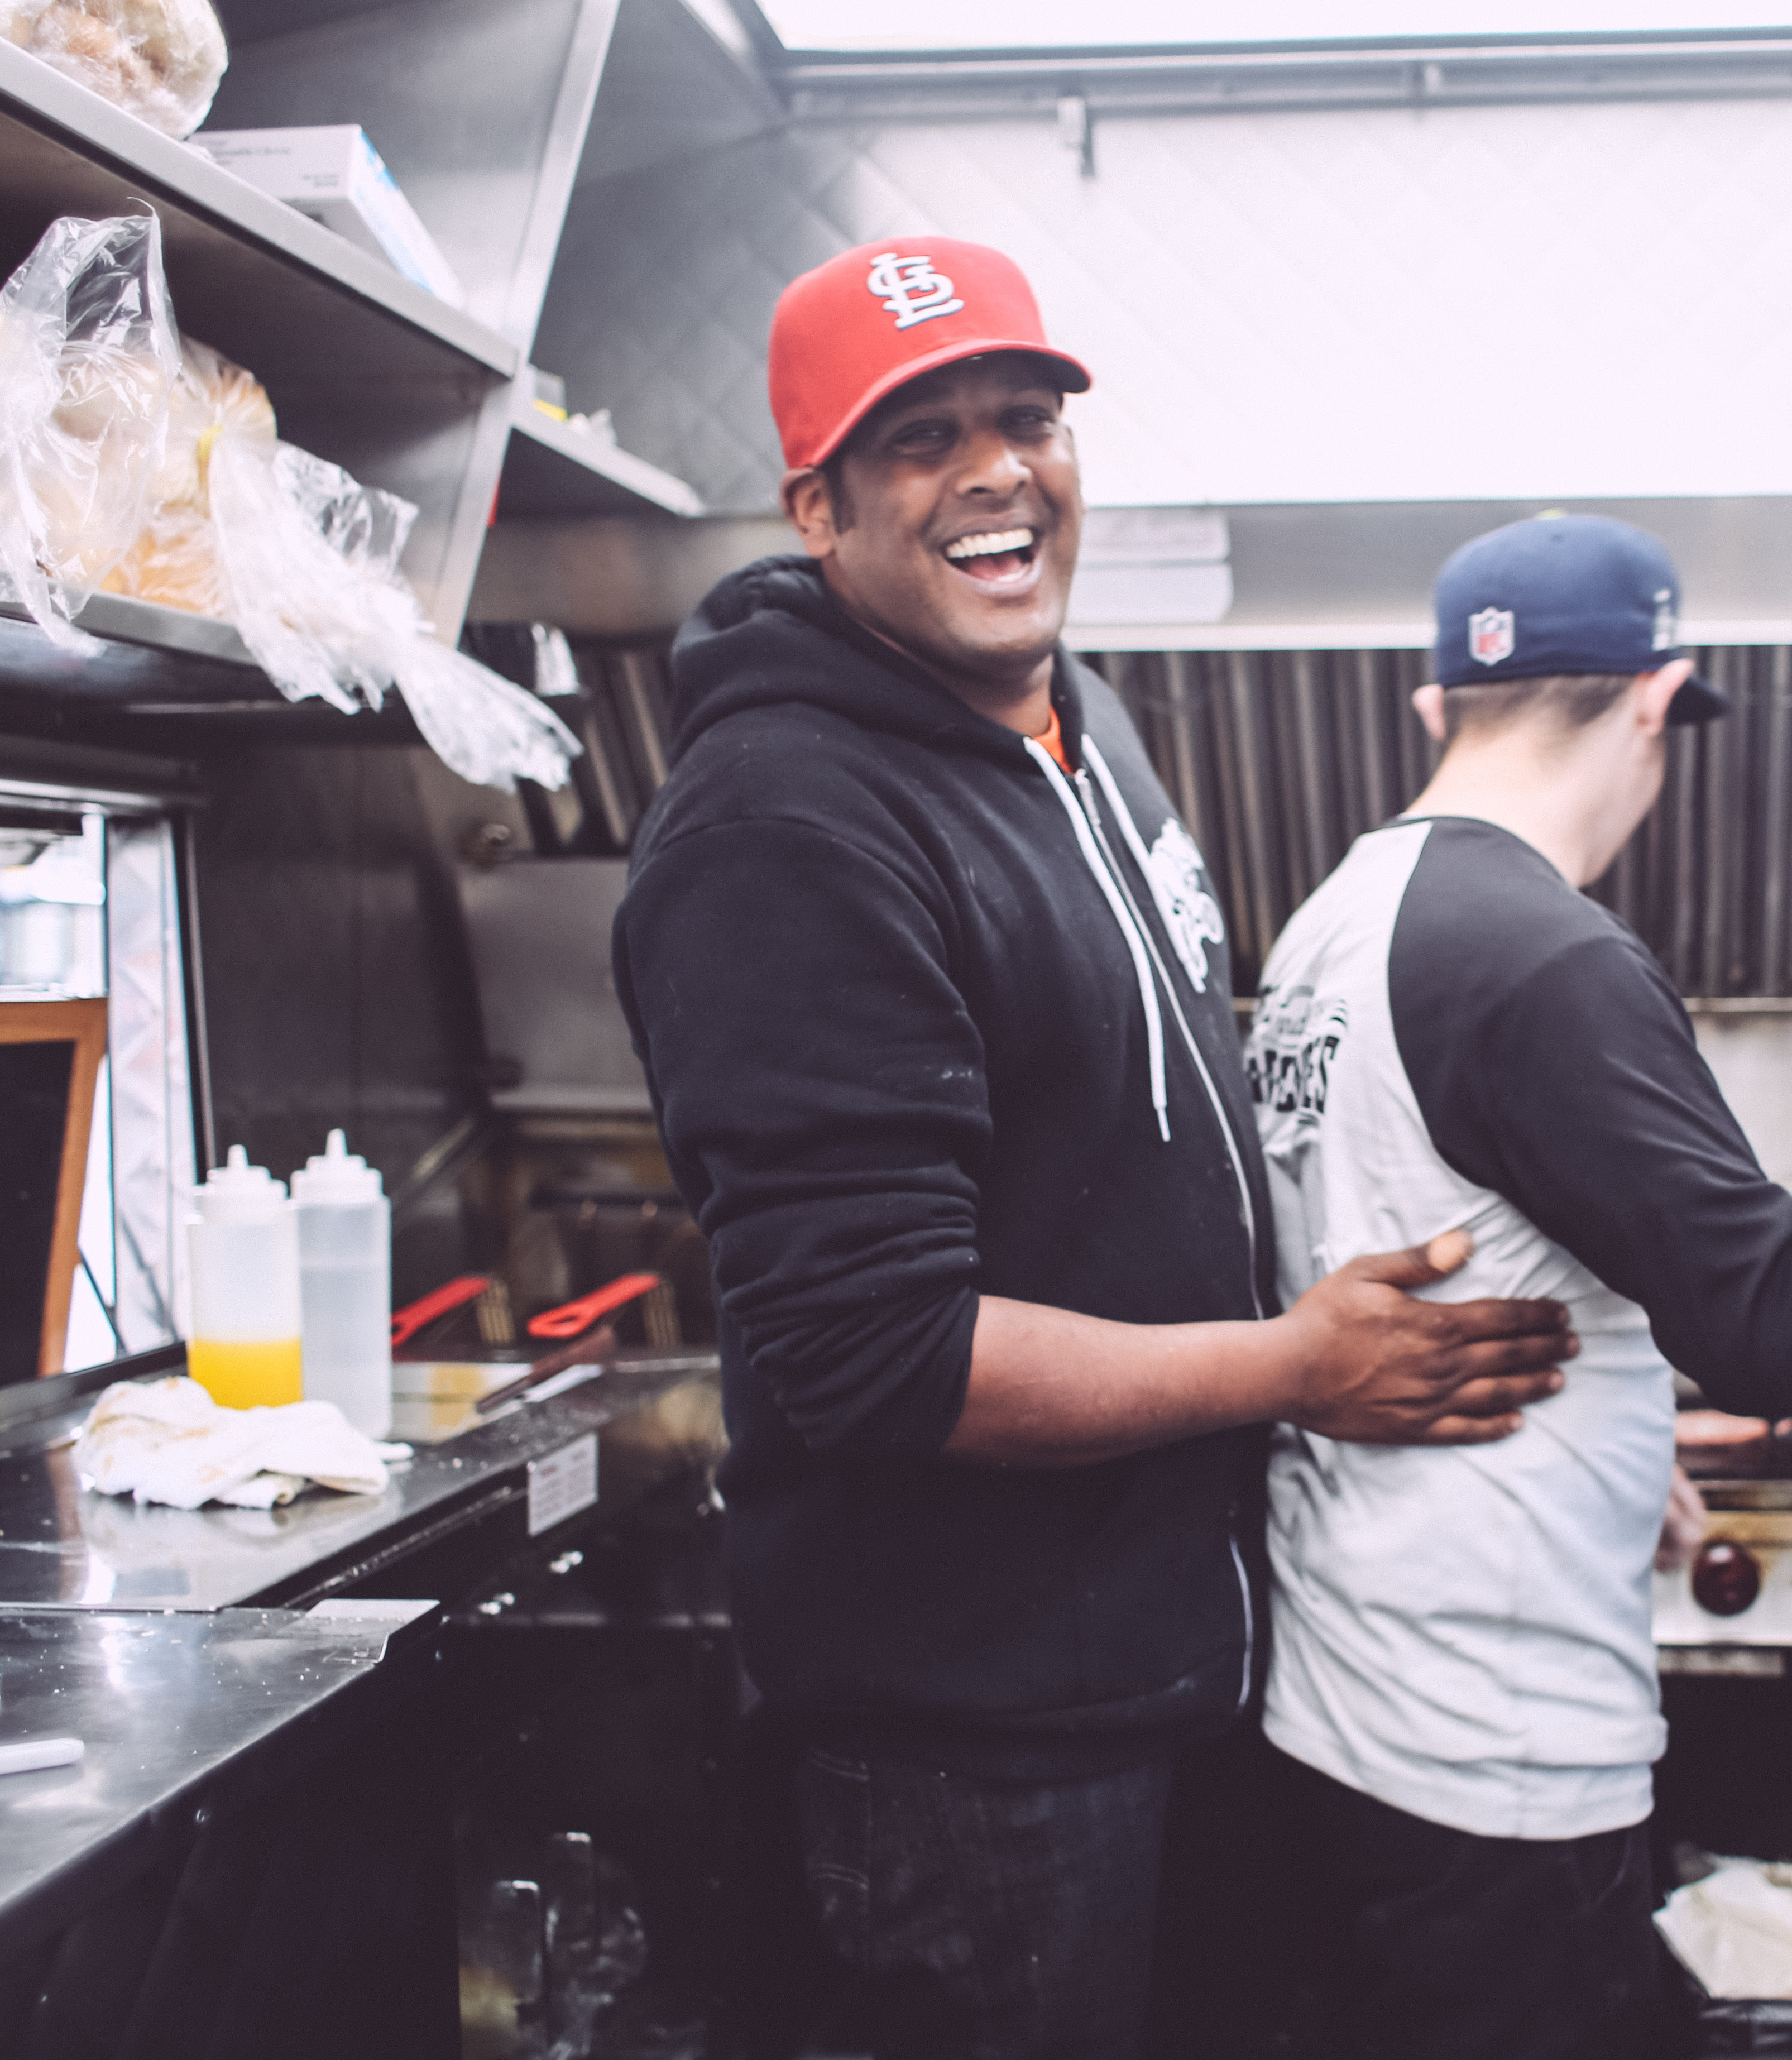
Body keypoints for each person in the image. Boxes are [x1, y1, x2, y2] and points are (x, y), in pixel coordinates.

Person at [610, 238, 1580, 2060]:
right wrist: (1295, 1366)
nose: (995, 471)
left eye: (1026, 420)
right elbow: (877, 1354)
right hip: (972, 1751)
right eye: (920, 440)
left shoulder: (1079, 726)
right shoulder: (783, 830)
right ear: (815, 508)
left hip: (1157, 1671)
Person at [1243, 514, 1792, 2059]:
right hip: (1492, 1750)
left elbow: (1434, 1234)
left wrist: (1604, 1426)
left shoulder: (1334, 925)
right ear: (1656, 703)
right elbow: (1778, 1325)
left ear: (1437, 708)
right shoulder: (1539, 953)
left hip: (1343, 1694)